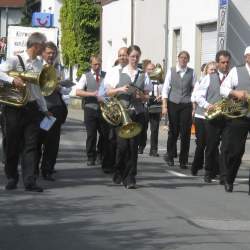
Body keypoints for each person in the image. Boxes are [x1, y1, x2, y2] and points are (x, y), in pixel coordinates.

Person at [0, 32, 48, 192]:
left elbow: (38, 91)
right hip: (13, 108)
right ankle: (12, 177)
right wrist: (12, 79)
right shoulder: (15, 59)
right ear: (36, 45)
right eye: (43, 46)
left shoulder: (40, 65)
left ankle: (30, 181)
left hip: (32, 108)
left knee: (31, 146)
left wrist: (45, 109)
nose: (44, 48)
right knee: (12, 144)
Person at [104, 45, 152, 189]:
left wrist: (142, 96)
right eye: (132, 56)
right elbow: (108, 92)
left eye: (137, 56)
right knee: (122, 147)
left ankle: (130, 178)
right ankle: (119, 170)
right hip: (121, 114)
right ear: (128, 56)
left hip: (136, 114)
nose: (135, 59)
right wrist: (120, 89)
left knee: (132, 147)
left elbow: (148, 96)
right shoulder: (117, 72)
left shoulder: (143, 75)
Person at [195, 50, 231, 183]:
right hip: (213, 117)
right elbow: (198, 96)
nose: (225, 65)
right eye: (222, 62)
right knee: (211, 145)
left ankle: (224, 175)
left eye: (227, 62)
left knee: (226, 147)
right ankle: (209, 171)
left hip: (228, 117)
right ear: (217, 63)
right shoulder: (209, 77)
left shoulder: (232, 76)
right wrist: (207, 105)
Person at [37, 41, 70, 181]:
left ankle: (47, 169)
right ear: (43, 53)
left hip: (54, 109)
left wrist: (60, 87)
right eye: (49, 52)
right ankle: (33, 168)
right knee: (37, 139)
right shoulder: (37, 66)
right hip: (39, 108)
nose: (51, 55)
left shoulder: (58, 68)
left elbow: (66, 89)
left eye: (53, 53)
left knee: (52, 141)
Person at [220, 46, 250, 193]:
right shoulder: (236, 71)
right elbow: (223, 89)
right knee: (236, 151)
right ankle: (229, 179)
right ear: (246, 57)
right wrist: (235, 92)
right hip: (240, 115)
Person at [162, 51, 196, 169]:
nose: (183, 60)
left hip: (186, 103)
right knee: (173, 131)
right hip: (173, 103)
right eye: (181, 57)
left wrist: (194, 107)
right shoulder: (171, 71)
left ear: (188, 60)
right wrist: (164, 105)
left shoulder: (191, 72)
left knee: (185, 132)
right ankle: (170, 156)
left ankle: (183, 160)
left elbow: (194, 90)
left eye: (185, 58)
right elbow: (166, 88)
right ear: (178, 59)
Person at [76, 55, 110, 169]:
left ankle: (101, 154)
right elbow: (78, 92)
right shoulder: (86, 76)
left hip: (103, 108)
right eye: (95, 64)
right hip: (90, 108)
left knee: (104, 134)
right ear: (91, 64)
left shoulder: (105, 75)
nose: (97, 66)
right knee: (91, 134)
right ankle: (91, 157)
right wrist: (92, 94)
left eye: (99, 64)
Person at [190, 61, 217, 176]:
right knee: (201, 144)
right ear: (206, 71)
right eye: (211, 70)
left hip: (214, 116)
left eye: (215, 70)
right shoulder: (201, 81)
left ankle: (213, 168)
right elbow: (194, 97)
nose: (213, 72)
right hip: (201, 116)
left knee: (213, 144)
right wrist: (197, 108)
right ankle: (196, 166)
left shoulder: (219, 81)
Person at [146, 63, 163, 157]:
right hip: (144, 106)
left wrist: (161, 96)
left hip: (156, 106)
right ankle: (141, 145)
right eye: (149, 69)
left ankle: (153, 150)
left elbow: (164, 92)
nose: (151, 71)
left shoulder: (159, 81)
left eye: (152, 69)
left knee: (155, 129)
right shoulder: (143, 79)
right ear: (146, 70)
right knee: (142, 128)